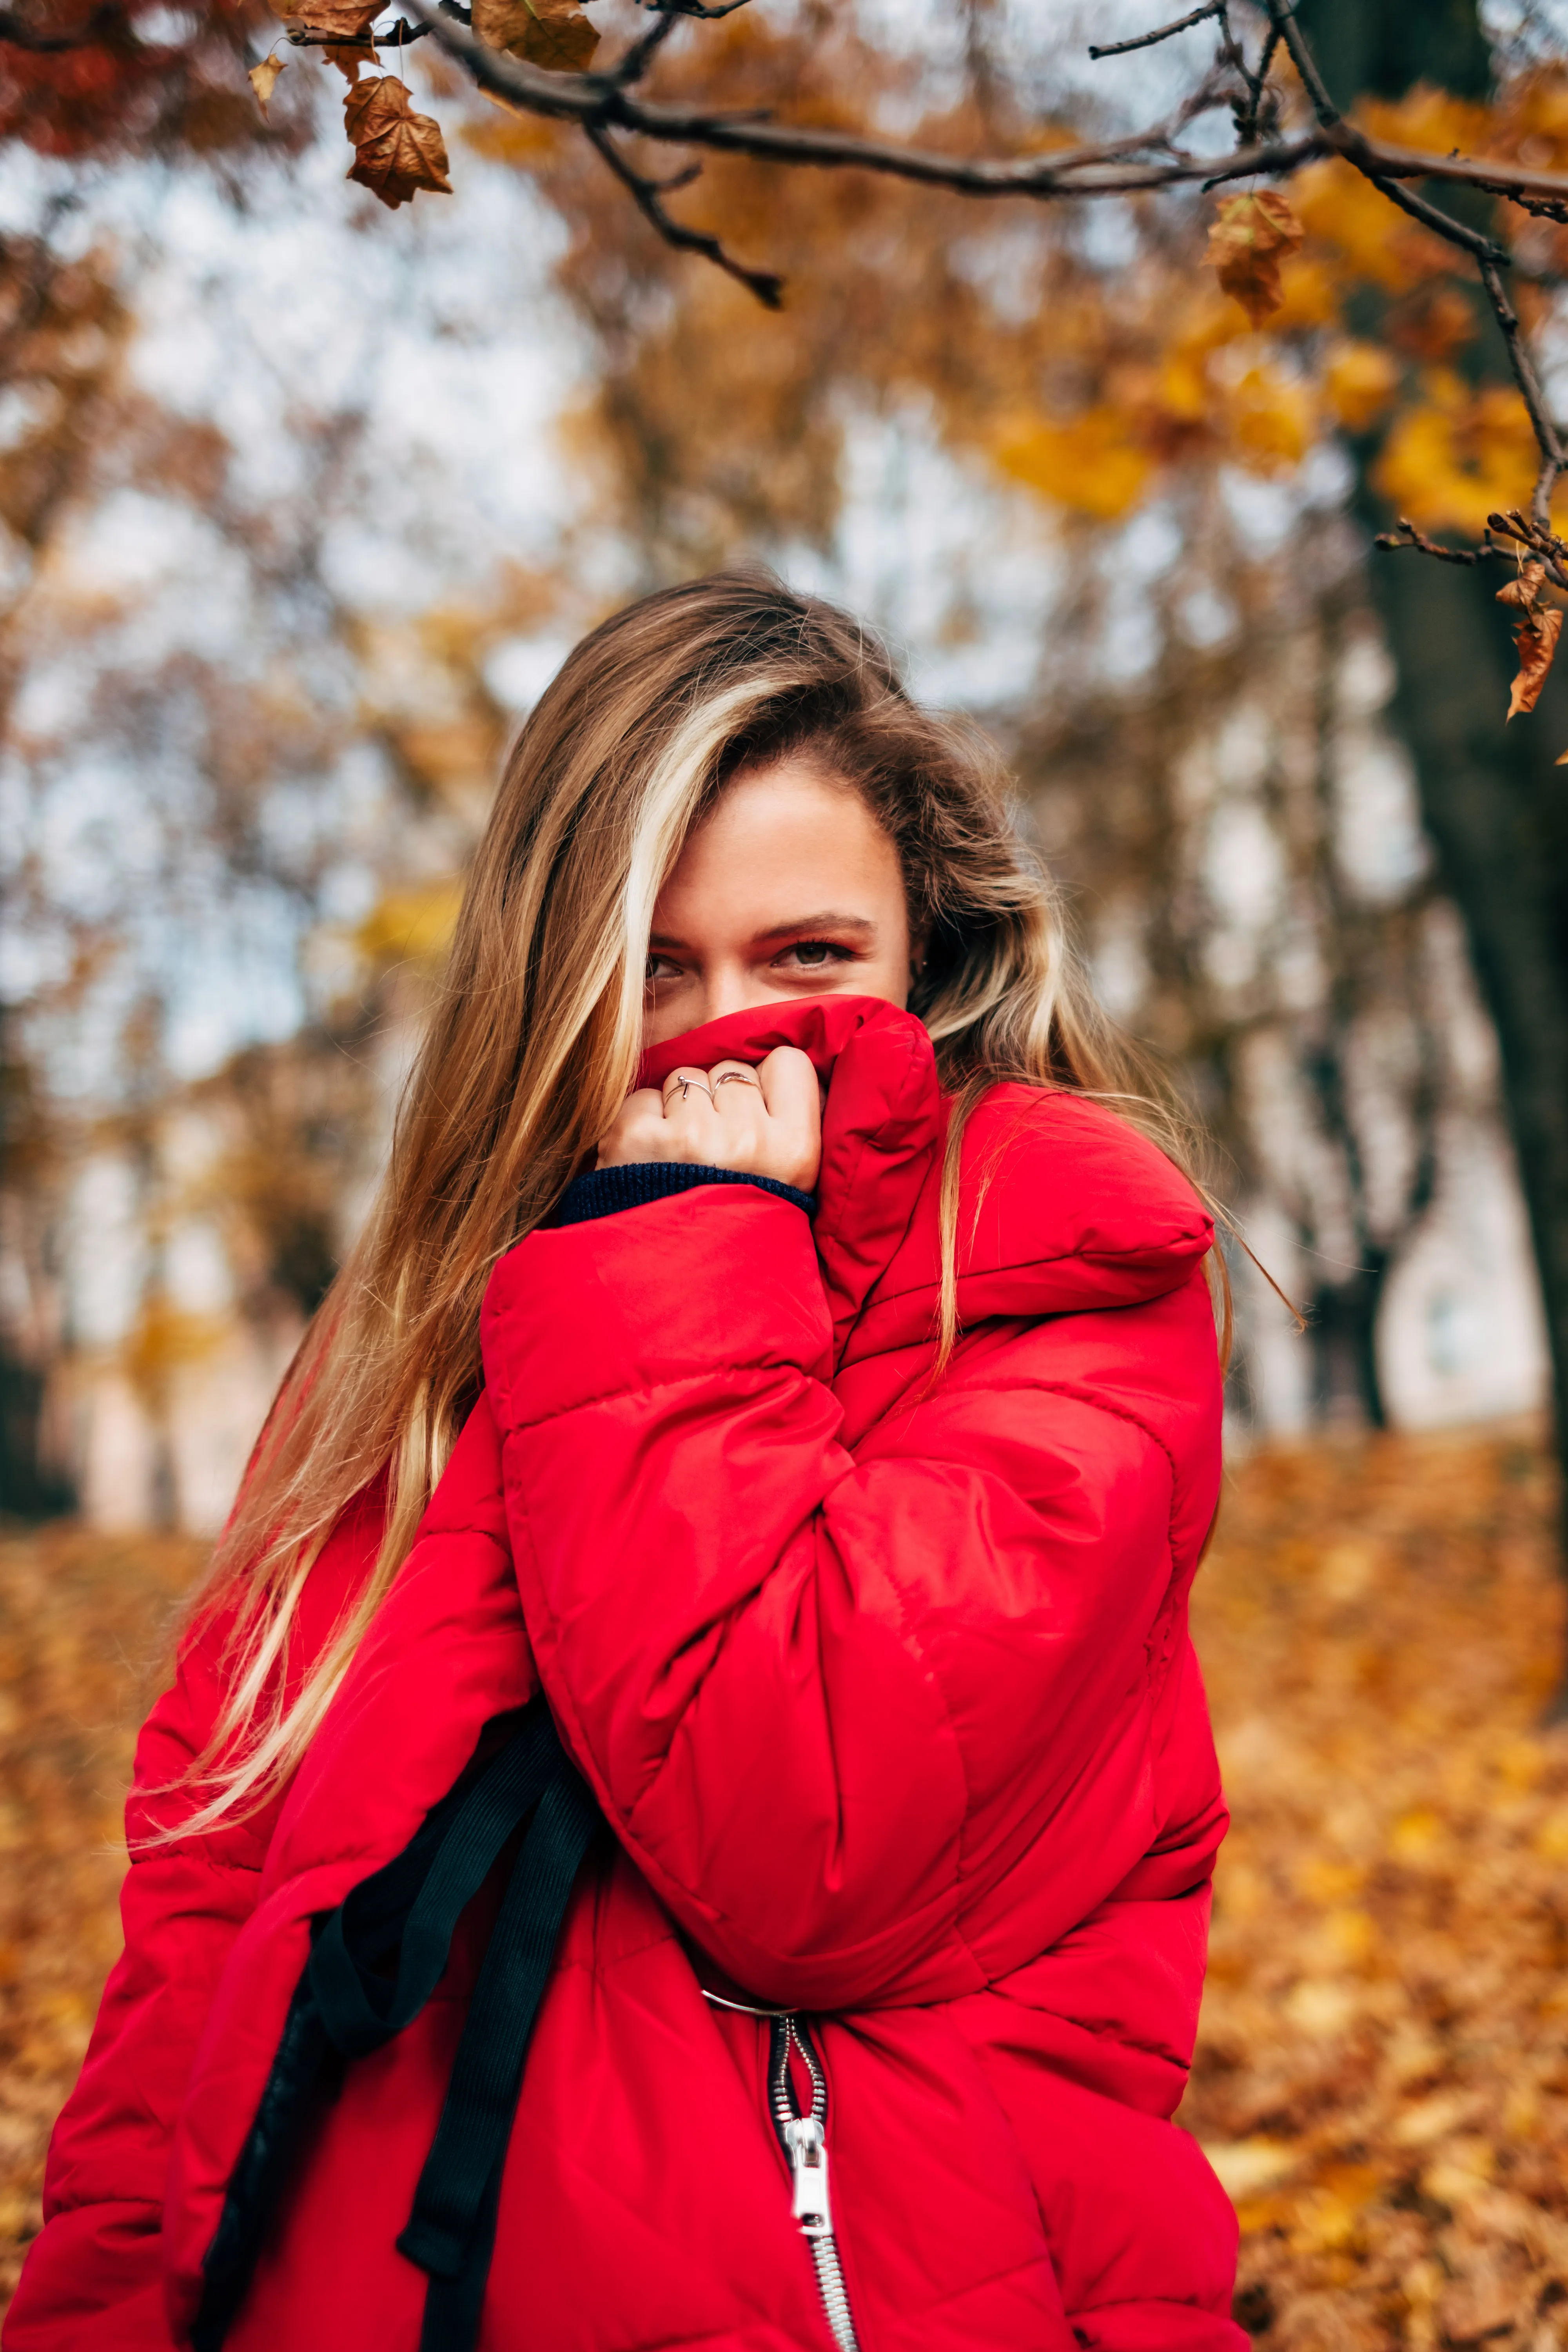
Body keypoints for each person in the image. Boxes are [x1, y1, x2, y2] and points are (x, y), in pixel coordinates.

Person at [4, 573, 1244, 2352]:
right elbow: (212, 1915)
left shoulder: (1054, 1267)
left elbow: (798, 1841)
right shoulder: (408, 1337)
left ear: (929, 957)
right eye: (655, 972)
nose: (732, 1036)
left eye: (811, 962)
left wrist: (683, 1248)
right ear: (553, 980)